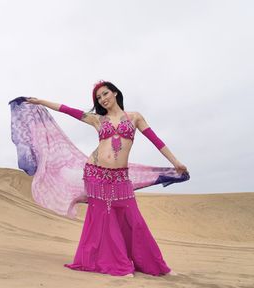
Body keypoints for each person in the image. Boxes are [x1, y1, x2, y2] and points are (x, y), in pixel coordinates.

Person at [26, 81, 187, 276]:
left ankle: (154, 264)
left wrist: (176, 161)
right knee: (105, 219)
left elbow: (156, 140)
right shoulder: (98, 120)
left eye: (105, 94)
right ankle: (119, 265)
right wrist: (41, 101)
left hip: (120, 177)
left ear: (115, 93)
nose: (103, 99)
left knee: (133, 220)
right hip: (96, 174)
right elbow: (69, 110)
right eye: (99, 98)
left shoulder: (135, 117)